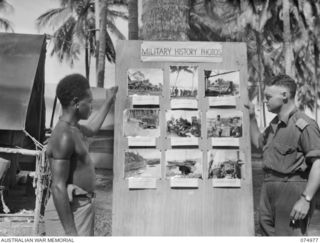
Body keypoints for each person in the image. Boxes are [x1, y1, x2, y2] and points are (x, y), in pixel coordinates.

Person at [45, 74, 118, 236]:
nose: (92, 107)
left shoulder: (75, 129)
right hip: (70, 212)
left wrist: (109, 101)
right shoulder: (64, 135)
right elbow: (58, 187)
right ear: (76, 103)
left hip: (81, 207)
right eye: (89, 102)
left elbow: (92, 129)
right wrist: (71, 233)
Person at [247, 74, 320, 236]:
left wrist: (305, 199)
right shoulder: (274, 125)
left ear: (285, 96)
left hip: (291, 191)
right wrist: (251, 117)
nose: (265, 101)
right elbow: (259, 144)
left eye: (268, 97)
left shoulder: (304, 125)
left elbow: (318, 164)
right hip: (268, 190)